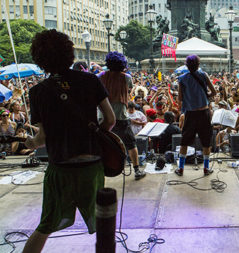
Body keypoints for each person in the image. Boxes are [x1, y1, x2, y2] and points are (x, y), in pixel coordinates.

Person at [22, 29, 116, 253]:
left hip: (61, 168)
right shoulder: (90, 80)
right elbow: (110, 120)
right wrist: (94, 136)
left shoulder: (38, 92)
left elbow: (42, 139)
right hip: (91, 165)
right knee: (104, 225)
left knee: (45, 226)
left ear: (39, 58)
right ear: (69, 52)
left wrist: (31, 144)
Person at [98, 51, 146, 180]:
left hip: (102, 117)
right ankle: (136, 170)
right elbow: (129, 90)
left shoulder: (100, 76)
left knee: (101, 144)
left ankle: (100, 170)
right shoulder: (126, 77)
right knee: (131, 144)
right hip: (120, 117)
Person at [175, 55, 216, 176]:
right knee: (206, 141)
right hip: (204, 112)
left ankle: (181, 168)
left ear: (186, 65)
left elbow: (180, 98)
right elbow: (214, 92)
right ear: (198, 64)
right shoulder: (204, 75)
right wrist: (204, 96)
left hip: (190, 114)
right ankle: (206, 168)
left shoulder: (182, 78)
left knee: (185, 141)